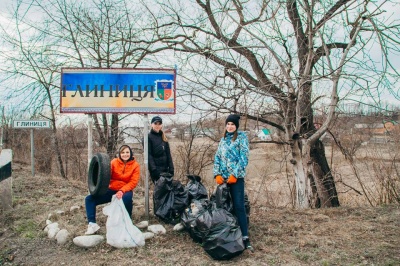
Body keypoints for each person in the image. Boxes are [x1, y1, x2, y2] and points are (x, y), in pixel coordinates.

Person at [213, 114, 254, 252]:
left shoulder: (242, 138)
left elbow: (244, 158)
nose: (230, 126)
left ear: (236, 126)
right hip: (223, 179)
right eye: (228, 124)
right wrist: (217, 174)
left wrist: (235, 174)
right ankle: (226, 235)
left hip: (236, 179)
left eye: (233, 124)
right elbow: (217, 157)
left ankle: (245, 237)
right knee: (223, 207)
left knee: (238, 206)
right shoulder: (223, 139)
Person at [84, 145, 140, 235]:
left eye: (127, 152)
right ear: (119, 154)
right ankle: (92, 224)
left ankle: (127, 222)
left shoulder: (135, 165)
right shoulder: (114, 162)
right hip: (111, 189)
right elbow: (105, 174)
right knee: (89, 199)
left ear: (130, 153)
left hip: (125, 190)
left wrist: (122, 191)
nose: (125, 154)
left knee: (127, 199)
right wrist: (97, 182)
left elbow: (133, 182)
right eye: (123, 152)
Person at [148, 116, 174, 184]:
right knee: (159, 190)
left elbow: (168, 153)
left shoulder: (163, 136)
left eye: (159, 124)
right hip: (156, 170)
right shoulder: (148, 137)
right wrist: (154, 170)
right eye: (155, 123)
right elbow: (149, 155)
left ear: (161, 125)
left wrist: (171, 168)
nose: (157, 125)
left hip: (166, 169)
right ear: (151, 124)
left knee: (167, 191)